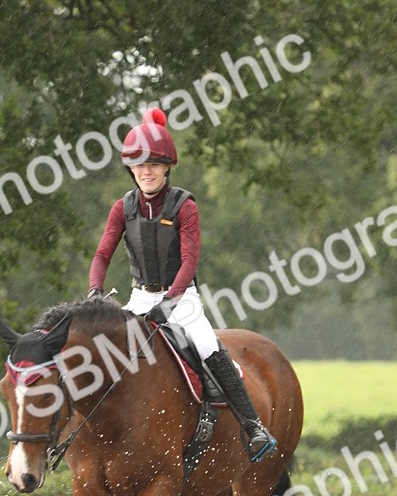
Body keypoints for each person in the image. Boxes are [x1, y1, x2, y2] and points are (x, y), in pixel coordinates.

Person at [88, 107, 276, 461]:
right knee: (101, 351)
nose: (146, 171)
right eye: (140, 165)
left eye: (154, 164)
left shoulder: (184, 205)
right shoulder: (122, 208)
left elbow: (189, 260)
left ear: (167, 167)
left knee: (208, 347)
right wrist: (95, 292)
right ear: (131, 169)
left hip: (182, 299)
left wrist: (171, 300)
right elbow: (101, 256)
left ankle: (253, 427)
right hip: (140, 299)